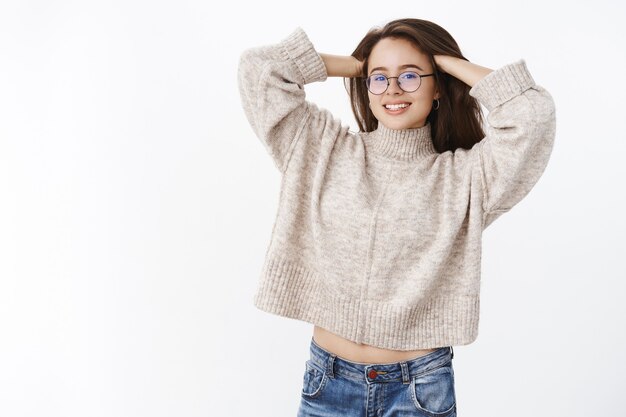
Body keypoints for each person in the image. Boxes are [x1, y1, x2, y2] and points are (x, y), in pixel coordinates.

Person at [237, 18, 556, 417]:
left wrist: (446, 62)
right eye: (379, 78)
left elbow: (533, 114)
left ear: (437, 86)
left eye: (409, 76)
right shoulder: (322, 148)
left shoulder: (467, 177)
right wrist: (357, 65)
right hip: (328, 383)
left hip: (418, 389)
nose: (392, 90)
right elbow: (259, 68)